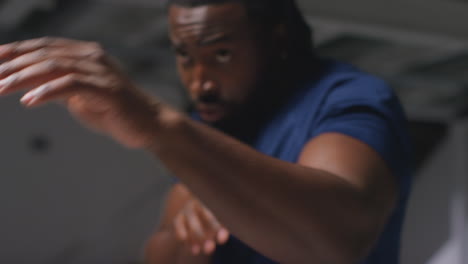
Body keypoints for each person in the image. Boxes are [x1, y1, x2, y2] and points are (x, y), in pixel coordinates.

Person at [0, 0, 412, 263]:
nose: (201, 82)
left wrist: (159, 124)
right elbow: (163, 250)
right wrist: (195, 229)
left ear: (276, 37)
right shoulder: (214, 127)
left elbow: (339, 241)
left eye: (221, 53)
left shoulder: (347, 98)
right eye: (185, 55)